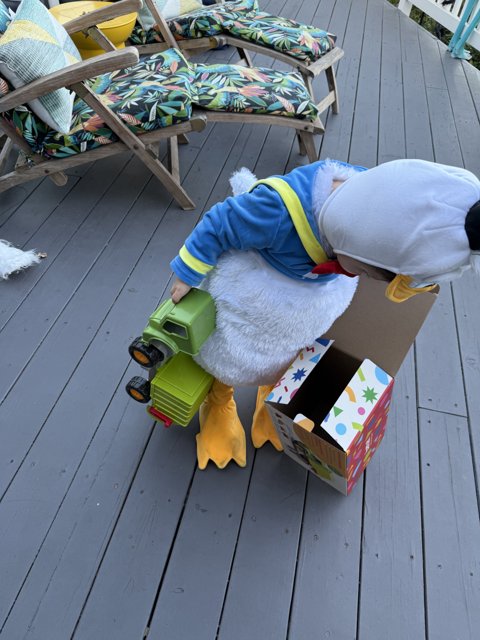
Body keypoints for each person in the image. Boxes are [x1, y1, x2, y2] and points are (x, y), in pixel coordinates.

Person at [169, 158, 480, 470]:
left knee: (284, 354)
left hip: (300, 309)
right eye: (361, 269)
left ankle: (272, 394)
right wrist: (187, 274)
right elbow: (221, 221)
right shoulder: (276, 211)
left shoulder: (373, 201)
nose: (360, 276)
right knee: (230, 356)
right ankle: (220, 403)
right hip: (253, 295)